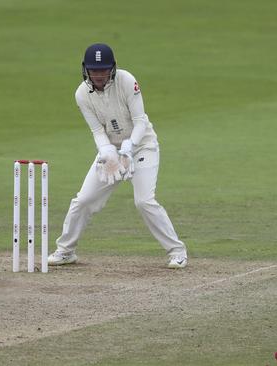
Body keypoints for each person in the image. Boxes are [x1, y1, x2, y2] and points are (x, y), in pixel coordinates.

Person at [48, 43, 188, 268]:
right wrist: (107, 151)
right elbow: (96, 130)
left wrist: (129, 147)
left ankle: (177, 251)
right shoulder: (82, 94)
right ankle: (66, 251)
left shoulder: (126, 81)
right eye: (94, 70)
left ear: (112, 68)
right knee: (83, 200)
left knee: (143, 201)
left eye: (103, 70)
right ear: (86, 70)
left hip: (142, 147)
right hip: (111, 152)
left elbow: (141, 121)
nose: (99, 75)